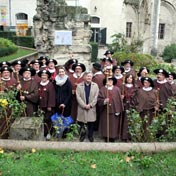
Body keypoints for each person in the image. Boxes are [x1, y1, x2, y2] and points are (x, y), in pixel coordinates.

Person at [98, 77, 123, 142]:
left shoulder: (117, 89)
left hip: (114, 110)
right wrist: (104, 101)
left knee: (114, 124)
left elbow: (119, 100)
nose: (110, 82)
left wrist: (118, 109)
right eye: (108, 80)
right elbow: (98, 99)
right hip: (105, 110)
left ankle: (113, 136)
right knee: (105, 123)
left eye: (111, 80)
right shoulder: (102, 89)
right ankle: (106, 136)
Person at [76, 71, 99, 142]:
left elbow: (96, 97)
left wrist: (91, 105)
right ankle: (82, 135)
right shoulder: (79, 86)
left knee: (91, 123)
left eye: (90, 76)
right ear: (84, 77)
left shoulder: (95, 85)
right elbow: (78, 97)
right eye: (87, 76)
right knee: (82, 123)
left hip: (91, 108)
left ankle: (90, 136)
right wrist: (84, 105)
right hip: (82, 107)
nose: (89, 77)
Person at [38, 70, 56, 138]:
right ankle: (44, 132)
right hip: (40, 106)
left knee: (49, 120)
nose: (44, 77)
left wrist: (50, 105)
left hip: (48, 107)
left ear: (48, 76)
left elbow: (52, 96)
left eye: (45, 75)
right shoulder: (38, 84)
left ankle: (49, 132)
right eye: (42, 75)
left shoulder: (50, 84)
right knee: (42, 120)